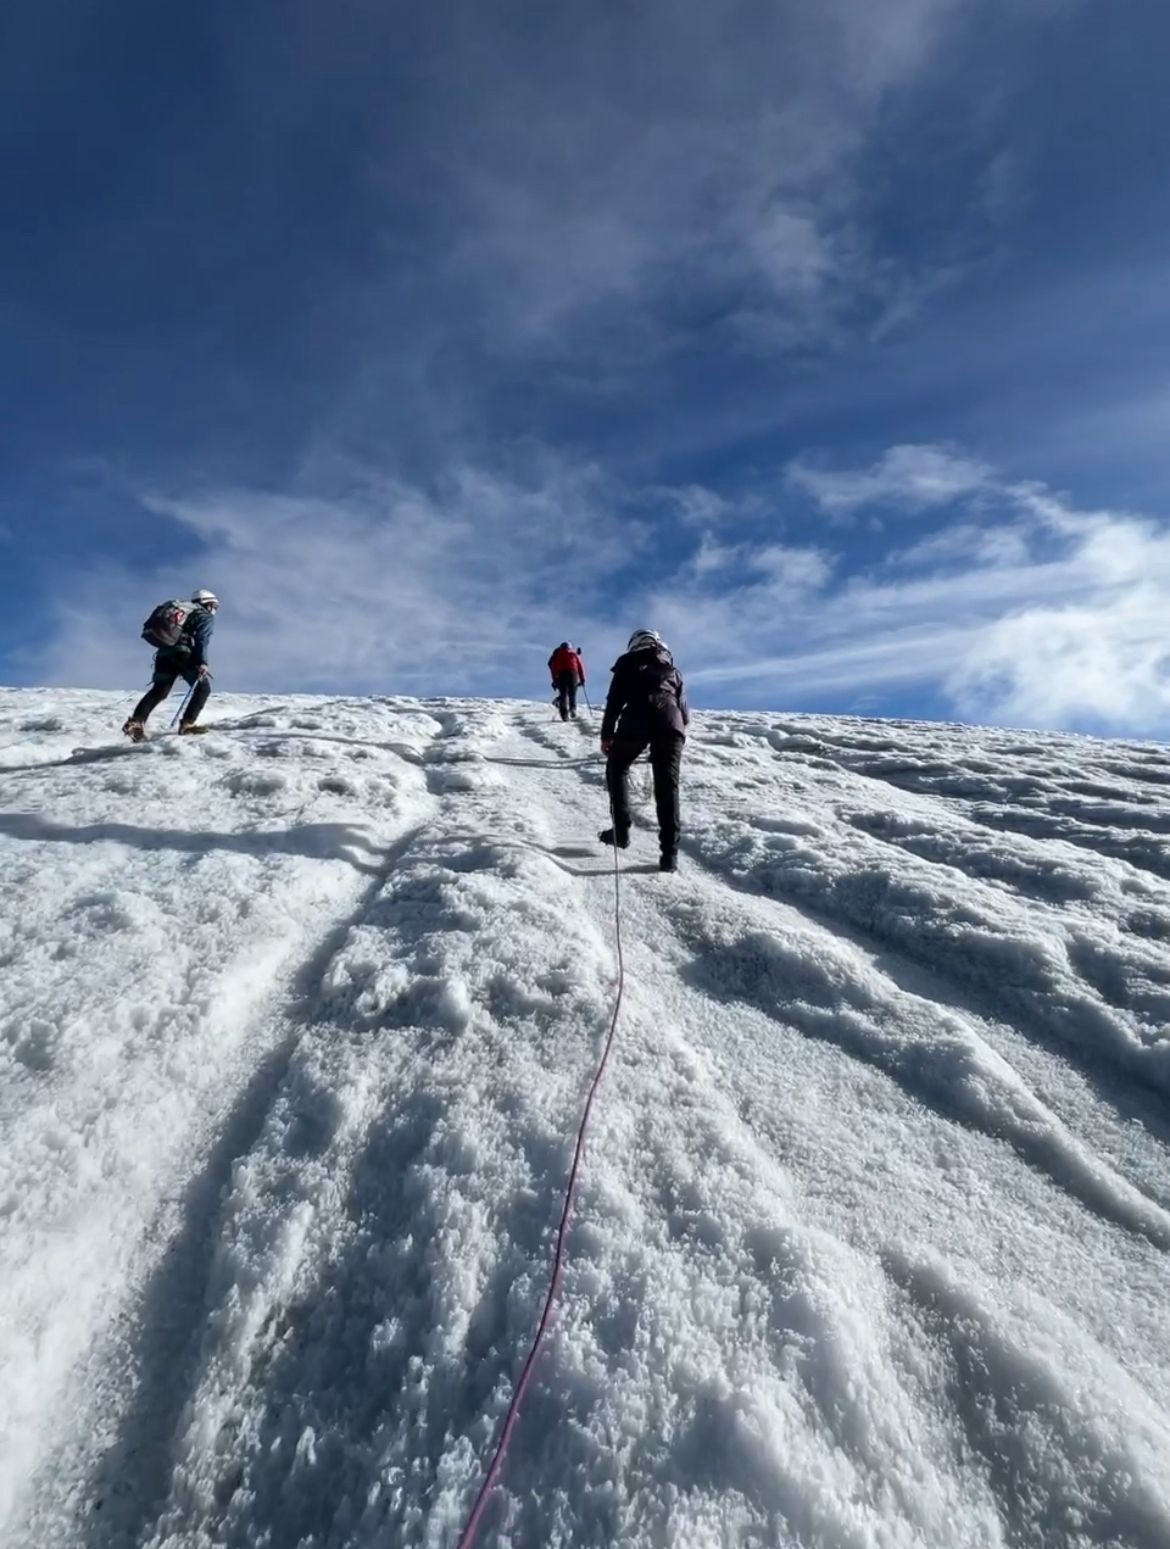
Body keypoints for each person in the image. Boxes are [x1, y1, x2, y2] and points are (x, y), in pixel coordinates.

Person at [599, 629, 688, 872]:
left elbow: (615, 700)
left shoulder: (627, 662)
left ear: (634, 644)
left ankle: (621, 831)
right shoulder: (673, 670)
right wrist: (678, 733)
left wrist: (607, 734)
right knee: (667, 787)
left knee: (617, 768)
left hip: (636, 720)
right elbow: (683, 709)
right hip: (671, 726)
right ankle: (669, 856)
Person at [122, 589, 219, 741]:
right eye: (214, 606)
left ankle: (136, 722)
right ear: (208, 604)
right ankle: (187, 725)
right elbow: (202, 640)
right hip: (183, 654)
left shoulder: (181, 611)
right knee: (203, 688)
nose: (214, 610)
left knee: (159, 691)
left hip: (163, 655)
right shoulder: (203, 615)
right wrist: (202, 662)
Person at [548, 641, 586, 722]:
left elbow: (553, 670)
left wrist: (555, 680)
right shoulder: (574, 655)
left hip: (561, 675)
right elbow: (580, 667)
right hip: (573, 674)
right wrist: (582, 679)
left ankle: (564, 715)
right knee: (572, 693)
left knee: (563, 695)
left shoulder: (557, 656)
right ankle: (573, 709)